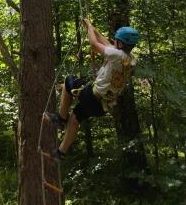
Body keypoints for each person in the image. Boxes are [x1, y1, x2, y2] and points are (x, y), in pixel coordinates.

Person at [44, 19, 139, 162]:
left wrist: (89, 27)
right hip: (101, 107)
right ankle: (60, 152)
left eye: (117, 41)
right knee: (76, 118)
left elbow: (95, 44)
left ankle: (61, 119)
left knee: (69, 81)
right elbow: (107, 43)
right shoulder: (130, 59)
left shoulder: (117, 55)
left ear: (121, 44)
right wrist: (92, 28)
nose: (114, 42)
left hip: (92, 97)